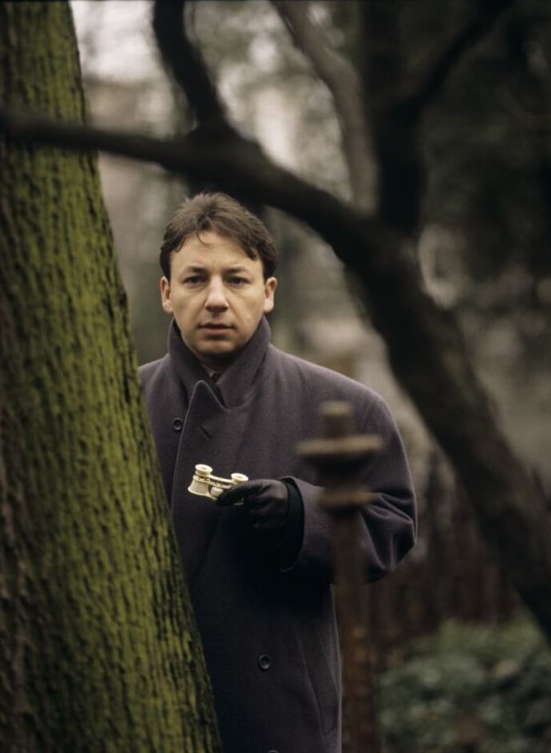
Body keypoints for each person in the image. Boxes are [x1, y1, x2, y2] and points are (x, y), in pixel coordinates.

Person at [139, 192, 416, 753]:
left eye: (236, 279)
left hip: (280, 713)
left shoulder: (345, 405)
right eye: (195, 280)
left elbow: (392, 528)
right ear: (167, 293)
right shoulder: (120, 402)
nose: (216, 299)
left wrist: (302, 514)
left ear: (267, 292)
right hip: (145, 705)